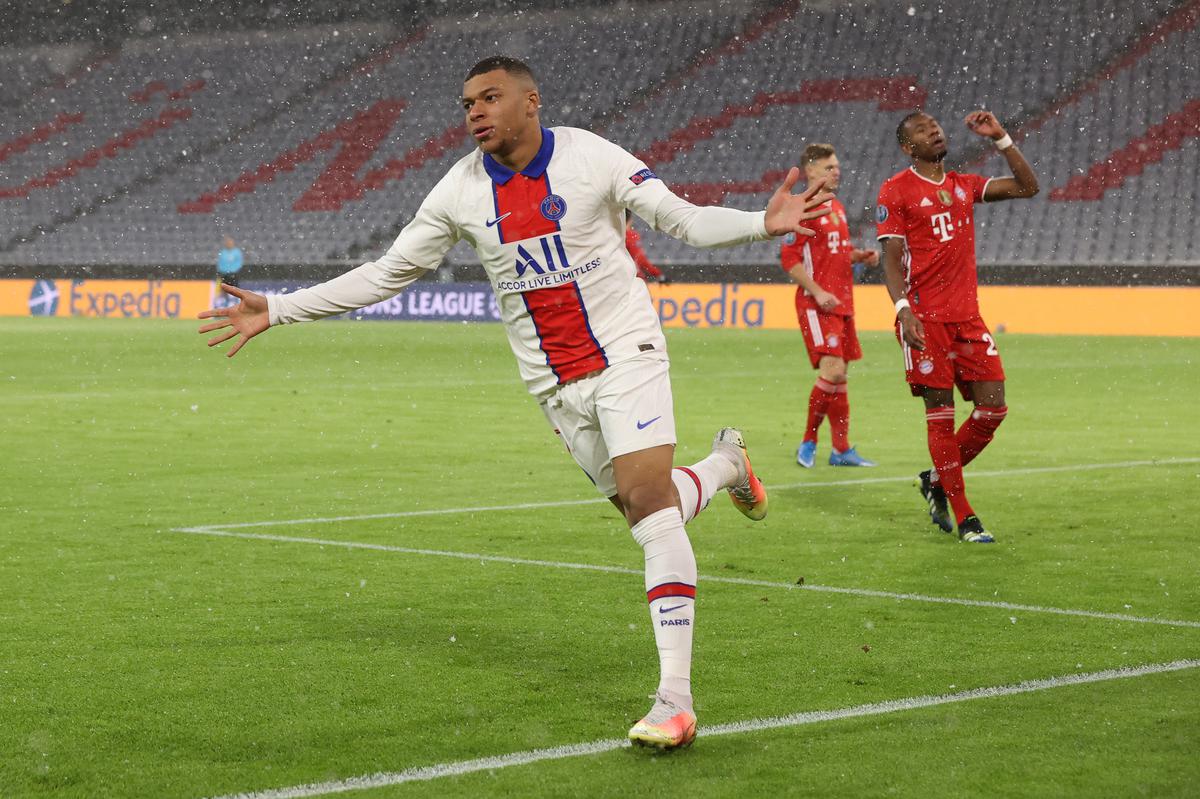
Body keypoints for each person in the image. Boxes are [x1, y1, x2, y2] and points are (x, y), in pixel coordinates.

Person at [198, 56, 832, 749]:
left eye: (490, 97)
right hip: (554, 385)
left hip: (627, 352)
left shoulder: (590, 156)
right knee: (643, 505)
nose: (475, 111)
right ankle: (726, 465)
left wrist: (760, 224)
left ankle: (673, 699)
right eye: (467, 103)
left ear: (531, 101)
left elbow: (679, 219)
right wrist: (280, 308)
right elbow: (388, 272)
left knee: (651, 511)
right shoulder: (459, 191)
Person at [876, 110, 1038, 543]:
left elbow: (1027, 187)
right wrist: (903, 310)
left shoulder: (963, 185)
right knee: (941, 418)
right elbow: (890, 258)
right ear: (908, 147)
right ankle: (966, 517)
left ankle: (935, 479)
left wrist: (1001, 138)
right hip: (925, 321)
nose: (933, 130)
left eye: (934, 124)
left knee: (993, 409)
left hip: (967, 319)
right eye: (921, 129)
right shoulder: (896, 190)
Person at [781, 143, 879, 469]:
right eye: (829, 167)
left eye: (837, 166)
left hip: (842, 303)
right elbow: (790, 260)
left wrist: (859, 256)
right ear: (810, 171)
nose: (837, 172)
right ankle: (808, 441)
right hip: (817, 303)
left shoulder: (835, 205)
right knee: (833, 372)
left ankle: (841, 450)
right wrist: (819, 292)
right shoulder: (802, 207)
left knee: (840, 377)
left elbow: (836, 253)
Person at [625, 211, 667, 282]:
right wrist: (657, 274)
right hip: (632, 278)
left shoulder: (611, 236)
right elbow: (640, 259)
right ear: (630, 219)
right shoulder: (630, 236)